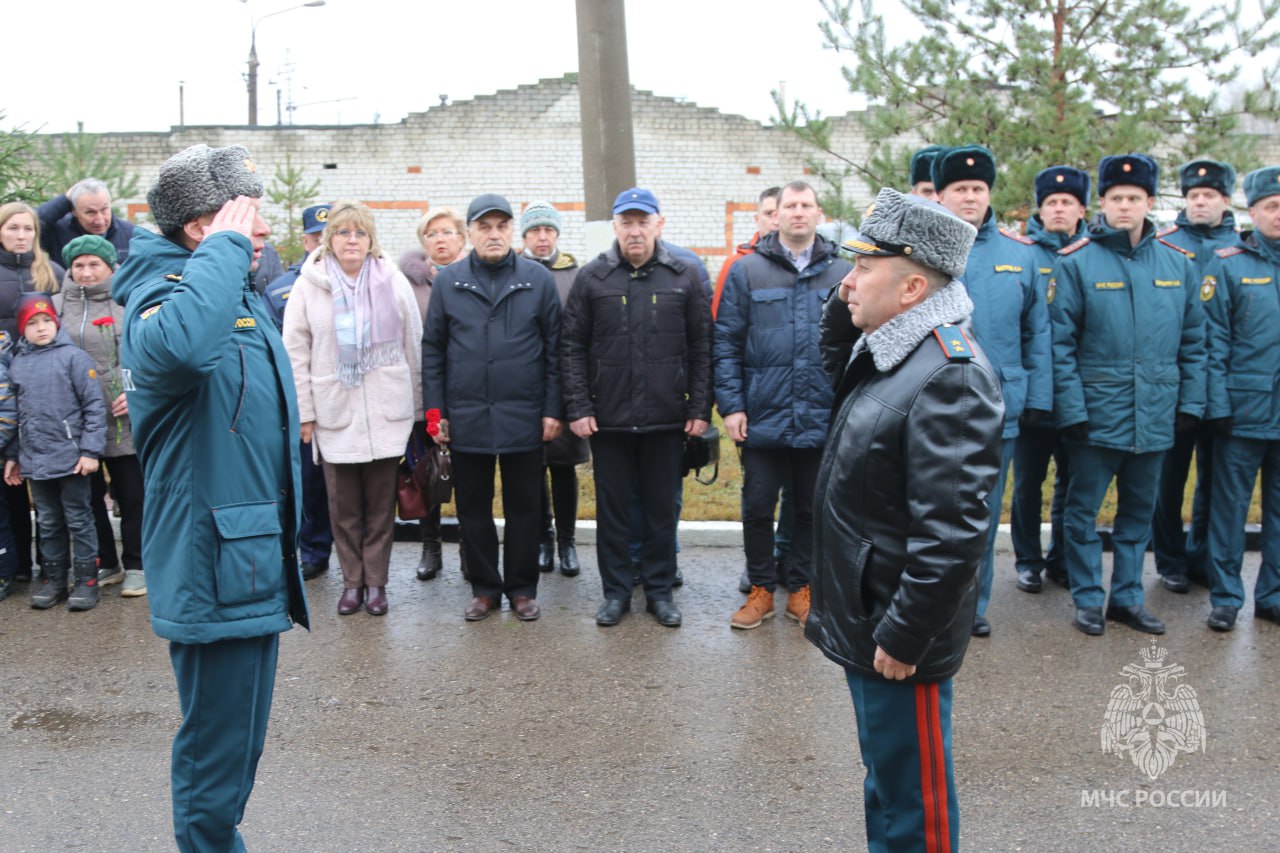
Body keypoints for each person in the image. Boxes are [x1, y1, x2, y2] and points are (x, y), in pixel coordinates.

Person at [112, 144, 309, 851]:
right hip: (211, 559)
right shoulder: (162, 297)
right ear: (204, 226)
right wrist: (227, 248)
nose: (265, 233)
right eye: (250, 217)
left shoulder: (232, 289)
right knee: (214, 754)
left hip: (249, 554)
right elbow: (190, 349)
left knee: (238, 751)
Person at [808, 188, 1002, 853]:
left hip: (897, 628)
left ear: (914, 286)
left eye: (864, 267)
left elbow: (952, 534)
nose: (847, 279)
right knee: (888, 780)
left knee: (915, 804)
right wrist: (853, 299)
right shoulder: (892, 346)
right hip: (871, 612)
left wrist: (907, 633)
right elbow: (837, 363)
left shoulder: (948, 373)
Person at [1048, 153, 1207, 636]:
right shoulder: (1076, 262)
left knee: (1139, 514)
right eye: (1116, 198)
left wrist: (1191, 404)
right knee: (1081, 513)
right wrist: (1071, 409)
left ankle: (1127, 599)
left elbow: (1195, 342)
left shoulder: (1178, 265)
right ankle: (1088, 599)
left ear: (1150, 202)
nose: (1124, 207)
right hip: (1096, 416)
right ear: (1102, 203)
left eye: (1134, 198)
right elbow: (1059, 345)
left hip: (1156, 413)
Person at [561, 187, 711, 628]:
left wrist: (700, 407)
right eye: (626, 222)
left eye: (643, 221)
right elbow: (572, 346)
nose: (635, 230)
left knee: (662, 509)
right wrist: (579, 406)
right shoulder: (593, 278)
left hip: (667, 419)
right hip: (608, 420)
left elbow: (703, 346)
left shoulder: (683, 276)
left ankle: (660, 592)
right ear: (616, 228)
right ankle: (616, 593)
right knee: (614, 511)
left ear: (658, 225)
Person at [714, 180, 850, 629]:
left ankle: (801, 587)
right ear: (777, 213)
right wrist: (732, 407)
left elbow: (858, 345)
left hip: (821, 413)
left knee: (811, 506)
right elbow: (727, 344)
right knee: (757, 505)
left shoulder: (843, 273)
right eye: (789, 205)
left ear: (818, 213)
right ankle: (760, 589)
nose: (797, 212)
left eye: (805, 205)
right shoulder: (747, 271)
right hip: (763, 415)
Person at [422, 193, 563, 622]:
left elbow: (556, 351)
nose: (494, 234)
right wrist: (435, 415)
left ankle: (521, 588)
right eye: (485, 227)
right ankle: (484, 589)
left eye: (502, 226)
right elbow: (433, 351)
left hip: (524, 415)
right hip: (466, 417)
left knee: (525, 508)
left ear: (511, 232)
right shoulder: (450, 281)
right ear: (470, 234)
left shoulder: (537, 280)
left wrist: (552, 409)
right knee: (473, 509)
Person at [933, 145, 1052, 636]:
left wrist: (1039, 399)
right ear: (940, 195)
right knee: (931, 510)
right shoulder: (920, 251)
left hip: (998, 404)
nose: (969, 197)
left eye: (977, 189)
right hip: (933, 403)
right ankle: (931, 604)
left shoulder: (1019, 255)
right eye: (959, 189)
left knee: (981, 512)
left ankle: (972, 607)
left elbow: (1037, 333)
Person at [284, 201, 422, 617]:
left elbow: (412, 344)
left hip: (386, 412)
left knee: (381, 507)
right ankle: (352, 582)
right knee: (342, 507)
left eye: (359, 233)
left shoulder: (392, 280)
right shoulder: (310, 284)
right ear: (330, 239)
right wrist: (305, 413)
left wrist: (418, 412)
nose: (352, 240)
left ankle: (376, 584)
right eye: (343, 232)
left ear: (371, 239)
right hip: (334, 413)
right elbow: (295, 352)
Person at [1151, 159, 1240, 593]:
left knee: (1215, 479)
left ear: (1225, 201)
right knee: (1169, 478)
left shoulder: (1244, 247)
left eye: (1210, 196)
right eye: (1194, 196)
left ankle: (1203, 555)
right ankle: (1170, 560)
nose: (1201, 202)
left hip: (1225, 383)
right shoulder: (1164, 245)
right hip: (1175, 381)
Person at [1200, 166, 1280, 631]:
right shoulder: (1228, 264)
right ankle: (1226, 596)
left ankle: (1272, 594)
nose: (1278, 214)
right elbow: (1213, 342)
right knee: (1229, 510)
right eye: (1271, 206)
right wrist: (1218, 407)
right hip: (1242, 412)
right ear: (1252, 212)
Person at [1011, 166, 1090, 593]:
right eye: (1051, 203)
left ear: (1082, 209)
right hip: (1033, 390)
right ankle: (1028, 559)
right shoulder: (1024, 254)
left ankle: (1062, 557)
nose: (1058, 209)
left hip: (1079, 391)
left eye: (1067, 202)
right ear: (1040, 210)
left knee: (1072, 481)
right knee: (1027, 483)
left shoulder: (1095, 253)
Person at [54, 235, 146, 598]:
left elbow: (144, 351)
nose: (86, 271)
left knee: (132, 493)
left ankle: (139, 564)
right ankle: (106, 560)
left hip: (122, 413)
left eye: (94, 264)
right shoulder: (56, 306)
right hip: (76, 421)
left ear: (110, 267)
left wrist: (134, 390)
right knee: (87, 496)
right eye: (79, 265)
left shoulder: (128, 301)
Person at [5, 293, 107, 610]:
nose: (41, 328)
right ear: (22, 329)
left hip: (72, 459)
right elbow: (16, 413)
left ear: (56, 322)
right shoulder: (18, 365)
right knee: (47, 522)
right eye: (32, 323)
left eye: (46, 320)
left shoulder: (74, 358)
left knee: (79, 520)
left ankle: (87, 581)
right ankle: (55, 581)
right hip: (36, 460)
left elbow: (94, 407)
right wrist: (14, 455)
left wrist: (90, 451)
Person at [263, 204, 333, 582]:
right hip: (304, 402)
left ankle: (365, 565)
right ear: (306, 240)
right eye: (316, 236)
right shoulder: (281, 290)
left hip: (350, 401)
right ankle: (314, 549)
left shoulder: (365, 280)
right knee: (309, 482)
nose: (323, 243)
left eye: (330, 234)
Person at [399, 207, 468, 581]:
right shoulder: (408, 285)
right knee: (428, 473)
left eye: (447, 232)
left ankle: (471, 550)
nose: (440, 239)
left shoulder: (475, 277)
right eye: (431, 234)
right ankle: (431, 546)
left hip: (471, 395)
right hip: (427, 395)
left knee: (470, 477)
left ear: (462, 237)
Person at [520, 200, 588, 577]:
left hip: (565, 385)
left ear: (557, 233)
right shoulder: (515, 270)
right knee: (532, 467)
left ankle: (567, 541)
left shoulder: (575, 273)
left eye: (548, 230)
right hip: (525, 386)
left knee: (563, 468)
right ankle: (542, 539)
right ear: (525, 236)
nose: (542, 237)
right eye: (534, 231)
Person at [0, 202, 64, 582]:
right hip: (3, 388)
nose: (21, 235)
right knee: (8, 478)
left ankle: (55, 565)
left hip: (45, 384)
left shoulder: (51, 272)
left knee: (45, 477)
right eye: (13, 228)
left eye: (28, 229)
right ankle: (16, 565)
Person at [37, 178, 136, 266]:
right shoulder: (58, 232)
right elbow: (34, 222)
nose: (100, 220)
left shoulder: (130, 234)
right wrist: (65, 199)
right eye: (90, 212)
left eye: (104, 209)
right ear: (74, 211)